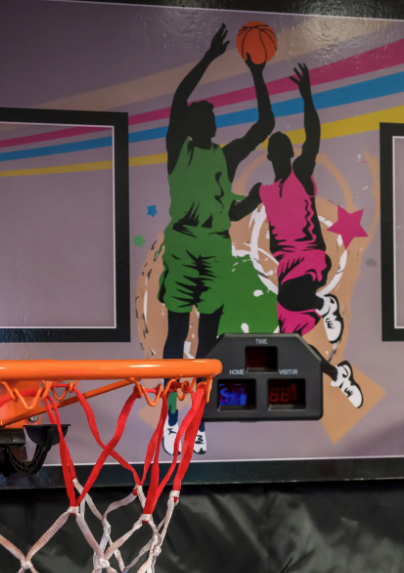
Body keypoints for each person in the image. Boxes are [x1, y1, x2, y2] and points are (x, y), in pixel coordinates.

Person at [160, 24, 275, 455]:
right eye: (206, 118)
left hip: (215, 246)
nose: (212, 122)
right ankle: (172, 417)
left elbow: (265, 124)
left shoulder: (225, 158)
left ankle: (198, 422)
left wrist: (257, 73)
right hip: (183, 245)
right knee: (176, 334)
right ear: (192, 125)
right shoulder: (179, 148)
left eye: (213, 119)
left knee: (208, 342)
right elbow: (178, 98)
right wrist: (209, 57)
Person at [234, 63, 363, 408]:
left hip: (310, 257)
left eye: (284, 150)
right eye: (274, 151)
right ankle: (339, 376)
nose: (279, 155)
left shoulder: (301, 176)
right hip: (286, 268)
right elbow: (234, 213)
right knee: (290, 346)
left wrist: (306, 97)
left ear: (290, 155)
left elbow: (313, 137)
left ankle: (326, 305)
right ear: (269, 156)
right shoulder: (263, 191)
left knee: (293, 297)